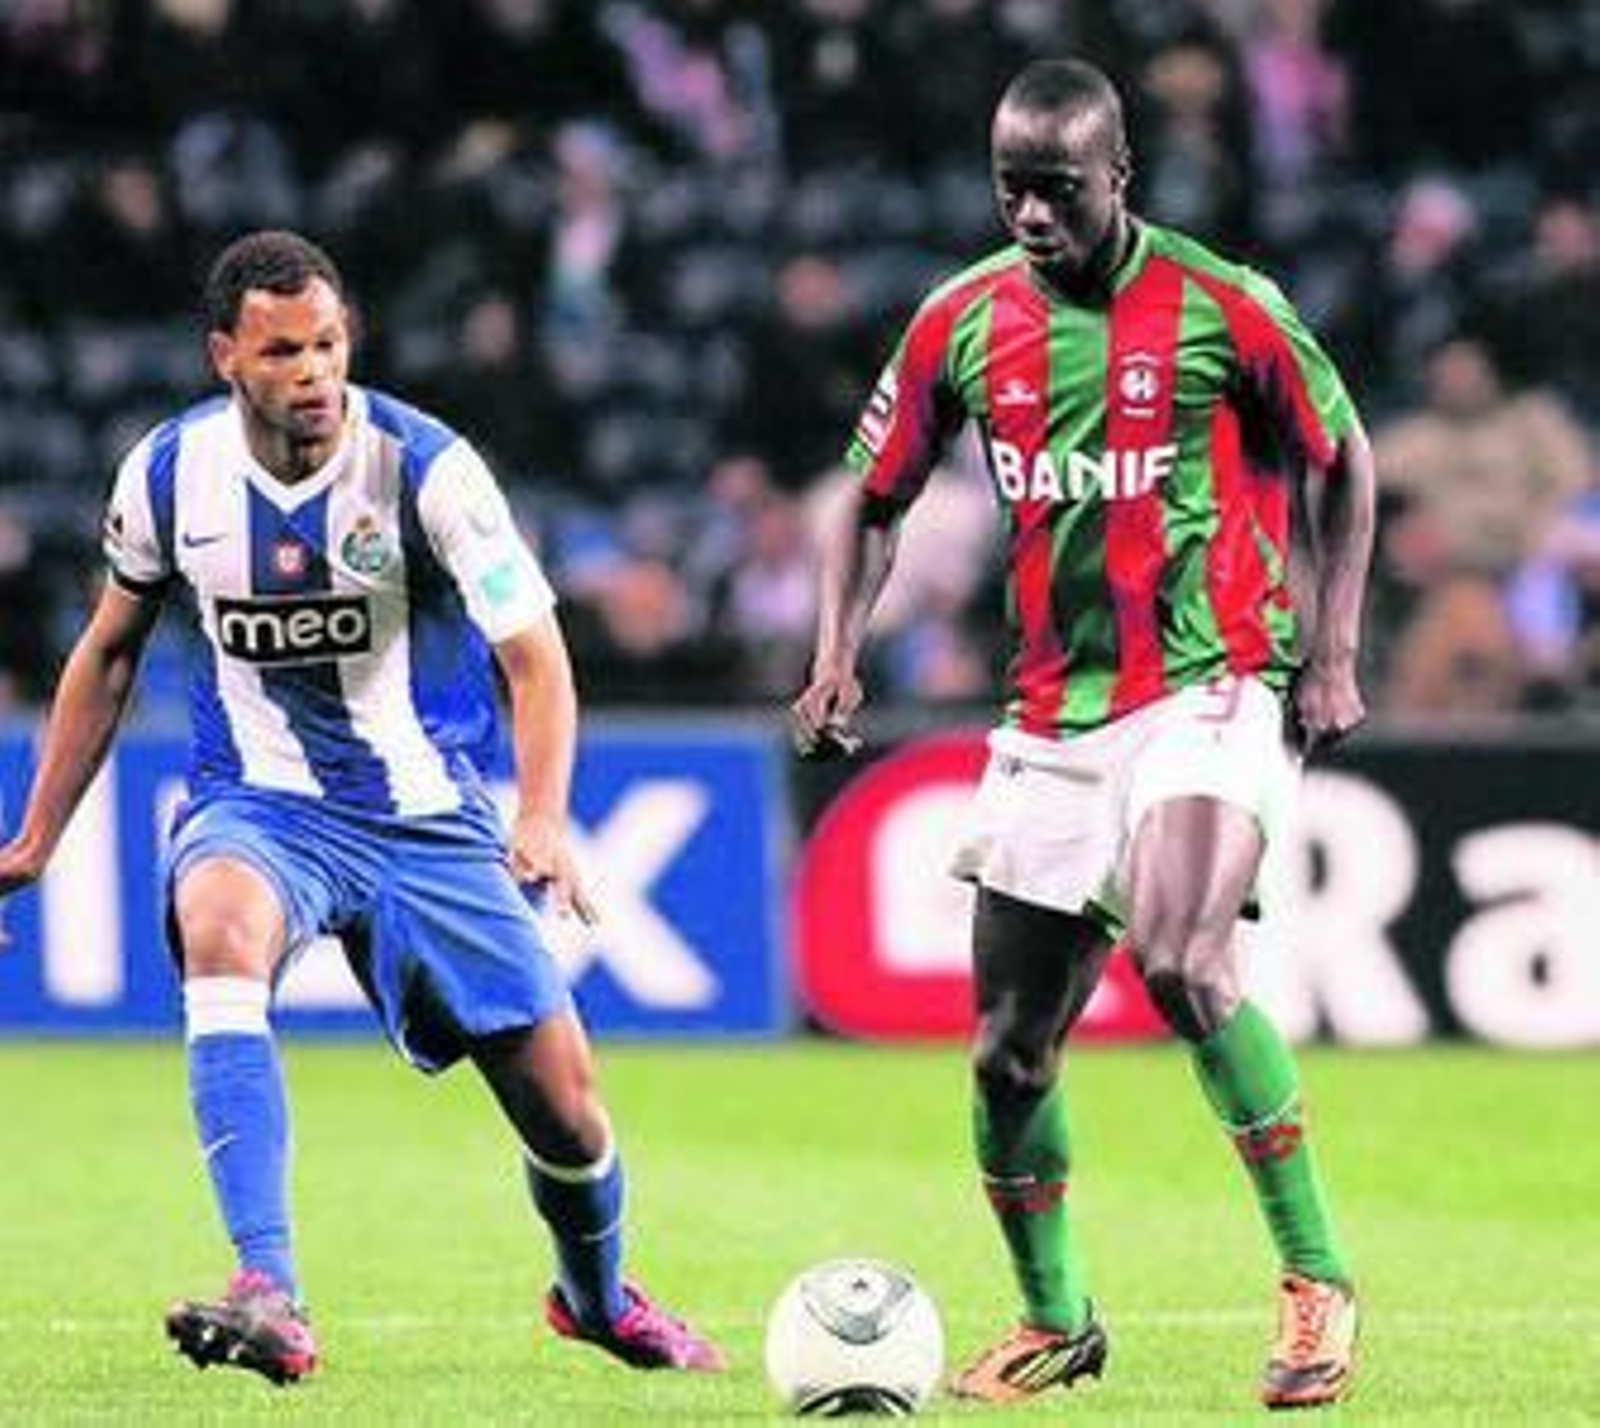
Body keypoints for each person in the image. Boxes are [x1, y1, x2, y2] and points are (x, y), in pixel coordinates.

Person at [0, 230, 724, 1387]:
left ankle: (594, 1300)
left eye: (329, 343)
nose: (314, 371)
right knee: (220, 934)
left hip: (424, 819)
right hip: (259, 805)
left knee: (568, 1117)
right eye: (283, 349)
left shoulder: (426, 469)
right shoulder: (165, 477)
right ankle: (268, 1289)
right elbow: (109, 652)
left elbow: (535, 659)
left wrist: (540, 815)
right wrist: (36, 837)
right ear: (225, 355)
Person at [791, 59, 1373, 1411]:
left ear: (1122, 177)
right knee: (1007, 1052)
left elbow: (1343, 461)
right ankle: (1057, 1320)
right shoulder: (959, 322)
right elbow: (870, 499)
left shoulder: (1226, 305)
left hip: (1212, 677)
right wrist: (834, 654)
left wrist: (1333, 651)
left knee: (1179, 955)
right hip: (1054, 711)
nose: (1034, 218)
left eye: (1059, 190)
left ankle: (1316, 1278)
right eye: (1013, 192)